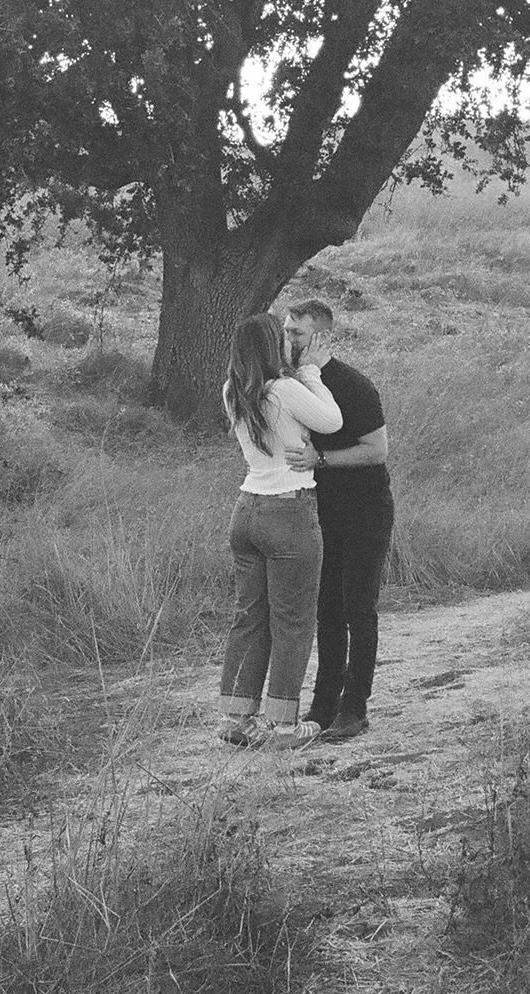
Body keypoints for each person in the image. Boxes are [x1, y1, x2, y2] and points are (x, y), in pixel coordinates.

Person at [218, 310, 344, 749]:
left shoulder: (234, 390)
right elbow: (332, 421)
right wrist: (311, 372)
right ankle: (284, 725)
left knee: (248, 617)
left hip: (247, 507)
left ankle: (237, 717)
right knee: (292, 620)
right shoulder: (286, 389)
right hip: (288, 510)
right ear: (275, 345)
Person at [282, 299, 394, 742]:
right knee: (326, 607)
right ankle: (324, 703)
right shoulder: (295, 384)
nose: (288, 340)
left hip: (366, 509)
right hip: (321, 512)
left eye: (296, 333)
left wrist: (321, 459)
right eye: (287, 331)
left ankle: (356, 706)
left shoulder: (354, 386)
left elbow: (377, 450)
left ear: (321, 337)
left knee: (358, 607)